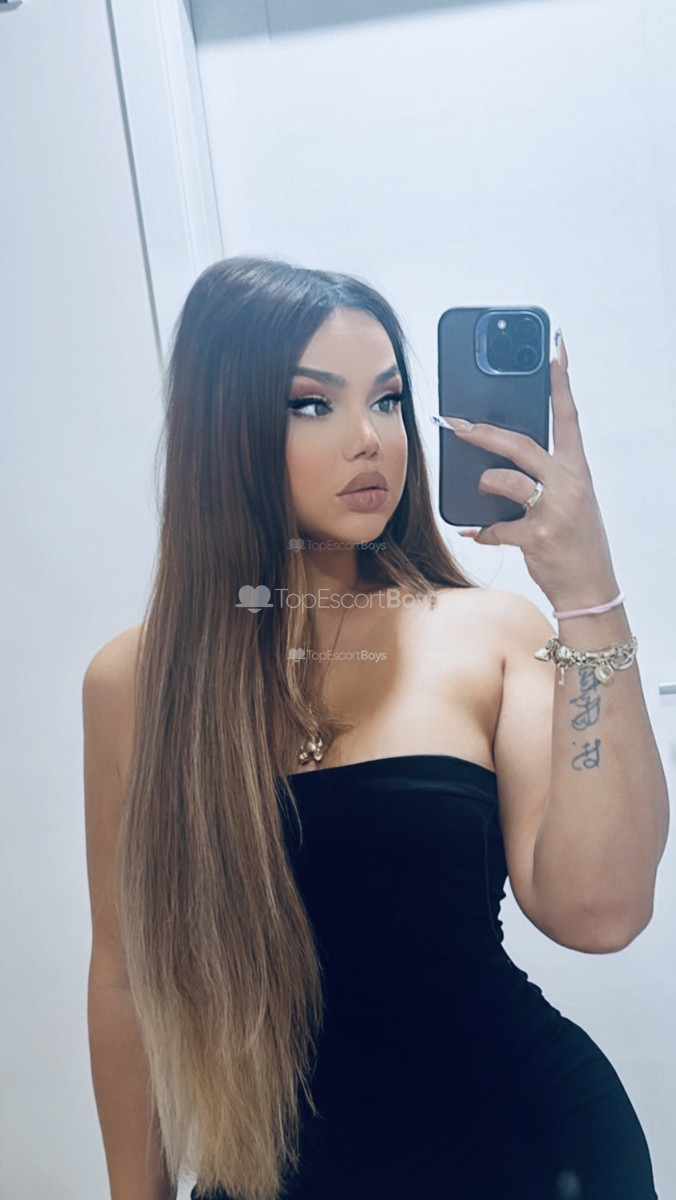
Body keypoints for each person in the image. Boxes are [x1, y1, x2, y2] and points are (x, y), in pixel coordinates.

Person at [83, 256, 668, 1200]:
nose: (371, 439)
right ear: (224, 429)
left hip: (528, 1156)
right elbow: (123, 980)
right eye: (313, 404)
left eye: (389, 400)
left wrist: (588, 593)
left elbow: (601, 912)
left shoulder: (492, 634)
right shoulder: (136, 685)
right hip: (271, 1174)